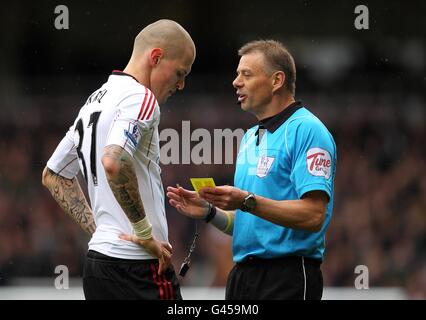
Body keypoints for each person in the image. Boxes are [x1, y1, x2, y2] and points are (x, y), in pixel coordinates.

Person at [167, 40, 336, 300]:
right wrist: (211, 213)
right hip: (242, 278)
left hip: (287, 276)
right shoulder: (250, 137)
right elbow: (251, 220)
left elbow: (314, 215)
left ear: (277, 80)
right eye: (237, 74)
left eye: (246, 74)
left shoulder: (308, 131)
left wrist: (246, 201)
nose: (236, 82)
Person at [42, 19, 196, 300]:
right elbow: (113, 162)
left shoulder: (93, 101)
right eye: (180, 72)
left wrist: (101, 231)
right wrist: (144, 234)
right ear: (156, 57)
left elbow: (53, 174)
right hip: (138, 268)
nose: (182, 84)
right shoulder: (142, 97)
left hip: (99, 265)